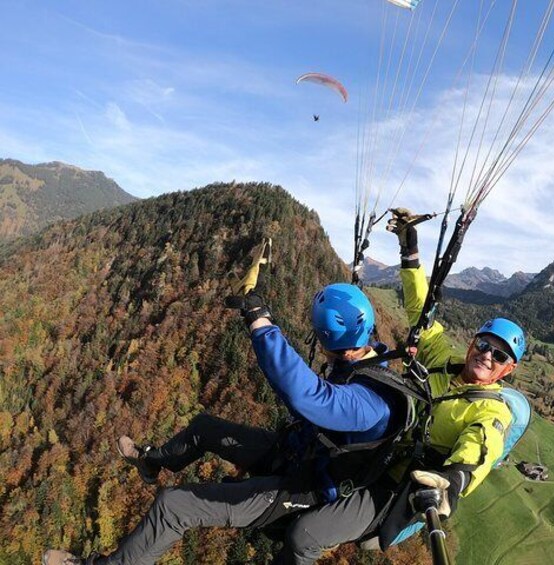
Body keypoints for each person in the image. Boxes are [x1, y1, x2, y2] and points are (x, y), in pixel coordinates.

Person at [43, 283, 410, 565]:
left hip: (301, 490)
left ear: (336, 344)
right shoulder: (360, 363)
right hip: (296, 453)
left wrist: (262, 326)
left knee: (174, 506)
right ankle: (152, 462)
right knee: (205, 427)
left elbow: (308, 397)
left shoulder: (370, 404)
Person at [275, 208, 526, 564]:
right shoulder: (441, 356)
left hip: (394, 483)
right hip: (375, 445)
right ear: (472, 343)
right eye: (484, 345)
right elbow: (421, 311)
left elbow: (478, 451)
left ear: (508, 370)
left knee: (303, 536)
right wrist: (410, 253)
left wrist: (453, 481)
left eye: (498, 356)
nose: (487, 356)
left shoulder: (490, 411)